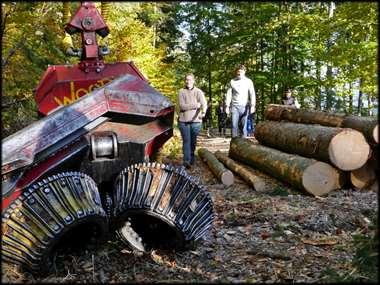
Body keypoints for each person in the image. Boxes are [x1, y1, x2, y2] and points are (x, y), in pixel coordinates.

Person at [177, 73, 207, 169]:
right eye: (186, 79)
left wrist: (203, 112)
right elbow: (182, 106)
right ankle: (186, 161)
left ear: (193, 81)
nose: (188, 81)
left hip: (196, 121)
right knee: (186, 141)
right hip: (183, 120)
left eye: (190, 79)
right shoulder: (181, 91)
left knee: (193, 142)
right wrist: (195, 105)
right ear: (185, 81)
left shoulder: (198, 92)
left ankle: (191, 159)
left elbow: (203, 103)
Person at [225, 64, 256, 138]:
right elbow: (229, 94)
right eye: (238, 72)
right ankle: (234, 145)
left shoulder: (248, 81)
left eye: (241, 72)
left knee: (243, 126)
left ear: (244, 72)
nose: (239, 73)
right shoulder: (232, 81)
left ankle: (244, 145)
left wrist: (253, 105)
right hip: (234, 107)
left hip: (245, 107)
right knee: (234, 126)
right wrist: (227, 106)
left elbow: (252, 93)